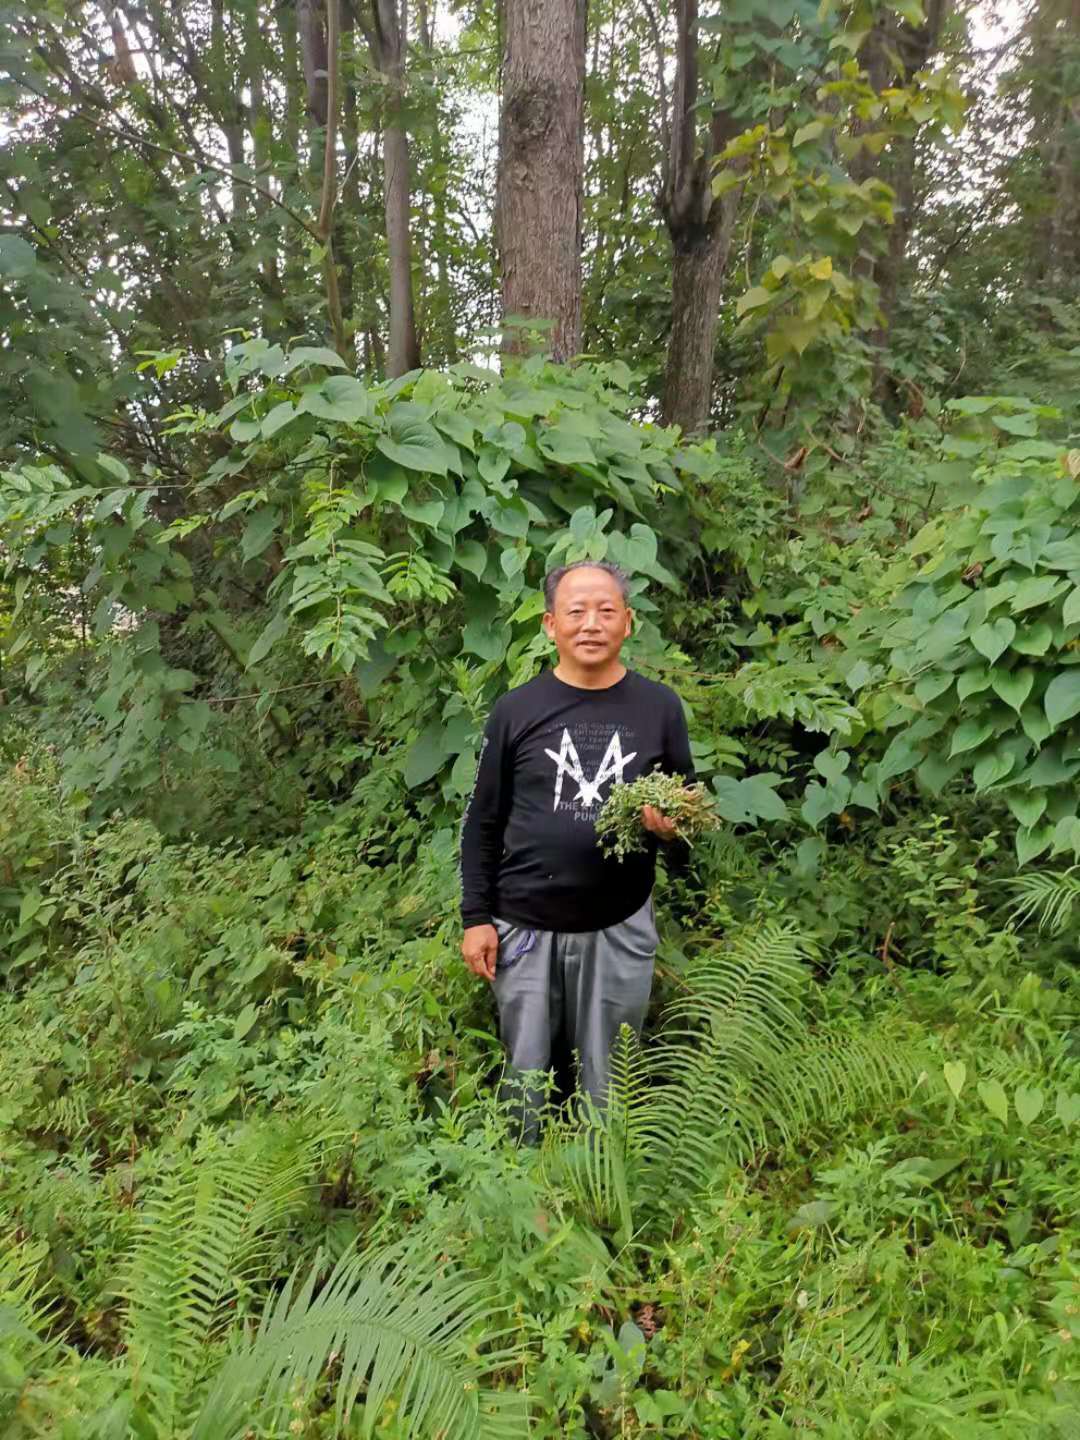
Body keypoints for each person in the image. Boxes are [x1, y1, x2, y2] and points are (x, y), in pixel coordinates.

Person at [459, 560, 693, 1137]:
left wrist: (672, 831)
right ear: (549, 625)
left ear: (629, 623)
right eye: (576, 611)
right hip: (524, 926)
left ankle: (604, 1190)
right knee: (527, 1075)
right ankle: (523, 1194)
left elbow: (687, 824)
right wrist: (476, 918)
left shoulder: (659, 708)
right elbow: (482, 820)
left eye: (606, 610)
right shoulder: (516, 710)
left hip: (619, 925)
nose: (591, 624)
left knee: (610, 1076)